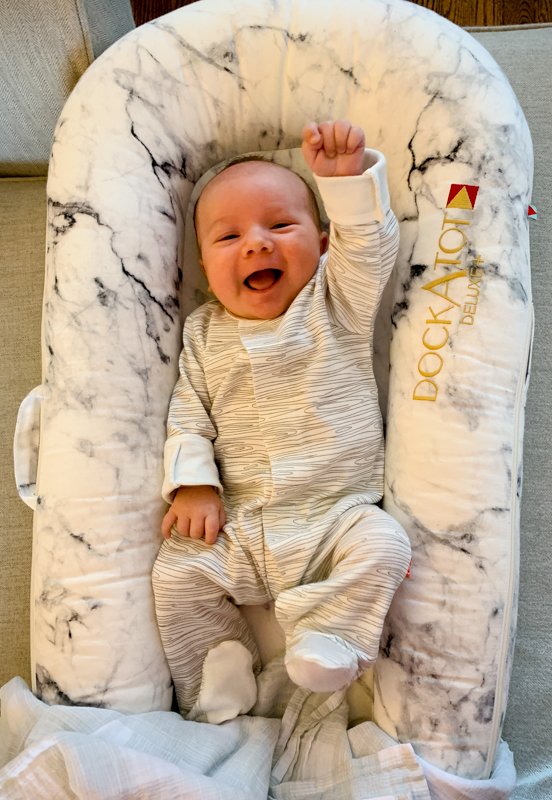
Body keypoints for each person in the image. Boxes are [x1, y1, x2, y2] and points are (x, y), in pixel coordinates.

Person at [152, 119, 411, 723]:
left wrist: (344, 184)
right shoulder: (204, 333)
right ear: (205, 268)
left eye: (281, 226)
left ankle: (329, 633)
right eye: (229, 236)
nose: (256, 244)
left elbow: (368, 249)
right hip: (239, 525)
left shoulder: (335, 303)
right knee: (176, 574)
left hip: (334, 516)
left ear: (321, 246)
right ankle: (218, 664)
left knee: (385, 543)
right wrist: (193, 485)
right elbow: (188, 413)